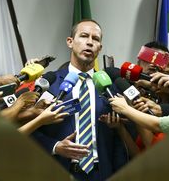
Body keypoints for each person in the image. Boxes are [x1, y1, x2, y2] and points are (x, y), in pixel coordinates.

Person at [32, 20, 128, 181]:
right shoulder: (51, 83)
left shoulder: (110, 87)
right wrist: (55, 147)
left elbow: (118, 138)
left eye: (95, 39)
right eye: (84, 36)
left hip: (101, 173)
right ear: (70, 42)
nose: (90, 42)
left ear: (100, 48)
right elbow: (31, 130)